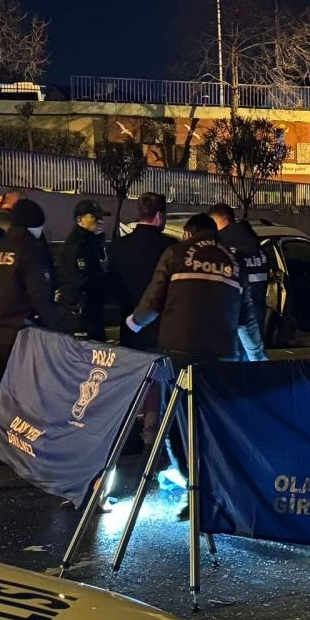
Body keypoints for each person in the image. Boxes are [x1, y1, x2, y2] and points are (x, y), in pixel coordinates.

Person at [126, 213, 247, 518]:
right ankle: (219, 491)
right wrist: (256, 356)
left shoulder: (177, 252)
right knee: (213, 422)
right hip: (222, 355)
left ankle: (195, 492)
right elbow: (247, 316)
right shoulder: (233, 258)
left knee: (179, 424)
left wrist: (133, 324)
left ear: (189, 233)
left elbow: (153, 300)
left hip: (179, 351)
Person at [0, 198, 67, 402]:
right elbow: (40, 296)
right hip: (21, 332)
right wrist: (57, 326)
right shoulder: (31, 250)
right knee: (25, 391)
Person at [108, 192, 176, 449]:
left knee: (132, 378)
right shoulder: (169, 248)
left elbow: (112, 287)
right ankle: (152, 436)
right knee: (157, 382)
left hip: (129, 323)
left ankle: (125, 433)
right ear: (159, 216)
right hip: (159, 324)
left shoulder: (118, 247)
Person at [208, 202, 270, 361]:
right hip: (256, 322)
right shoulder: (257, 247)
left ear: (216, 221)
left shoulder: (223, 247)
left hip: (233, 324)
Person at [56, 199, 110, 342]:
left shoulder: (92, 241)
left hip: (91, 310)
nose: (99, 221)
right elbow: (80, 280)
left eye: (100, 218)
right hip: (82, 314)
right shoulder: (79, 245)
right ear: (80, 220)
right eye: (94, 217)